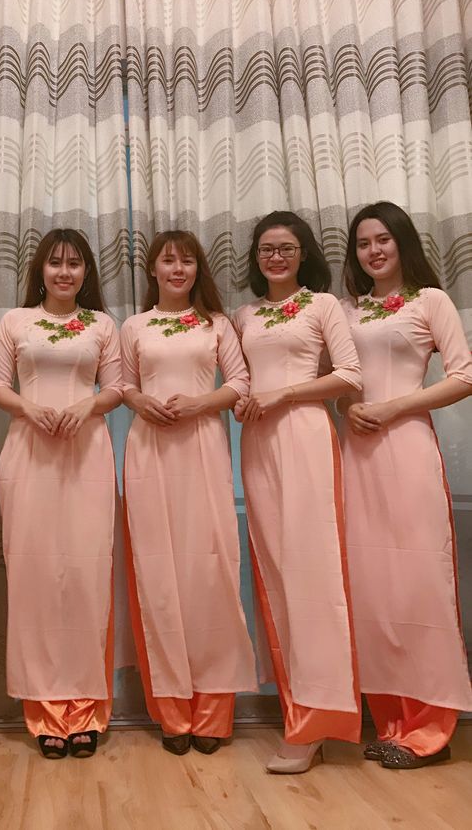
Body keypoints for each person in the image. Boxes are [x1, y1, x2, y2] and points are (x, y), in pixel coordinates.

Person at [340, 201, 472, 769]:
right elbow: (342, 381)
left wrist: (395, 406)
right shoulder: (347, 310)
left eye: (383, 240)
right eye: (363, 242)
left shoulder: (430, 300)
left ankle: (431, 731)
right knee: (372, 589)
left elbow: (465, 375)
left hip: (410, 449)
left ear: (402, 243)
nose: (373, 250)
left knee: (420, 584)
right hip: (356, 455)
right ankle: (393, 724)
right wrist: (348, 406)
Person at [233, 211, 362, 774]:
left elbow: (350, 375)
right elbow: (241, 381)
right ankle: (296, 711)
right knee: (277, 574)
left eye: (286, 248)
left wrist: (283, 395)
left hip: (307, 436)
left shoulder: (322, 305)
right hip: (258, 444)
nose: (276, 257)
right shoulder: (244, 315)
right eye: (266, 249)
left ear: (304, 253)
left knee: (314, 572)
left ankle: (318, 720)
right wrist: (244, 400)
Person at [121, 230, 257, 756]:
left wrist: (201, 404)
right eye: (168, 260)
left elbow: (239, 383)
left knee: (210, 574)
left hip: (203, 450)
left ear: (198, 268)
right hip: (149, 451)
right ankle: (172, 715)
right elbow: (121, 384)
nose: (177, 269)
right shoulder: (134, 326)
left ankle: (213, 714)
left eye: (187, 261)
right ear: (153, 269)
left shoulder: (216, 324)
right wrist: (139, 402)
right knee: (158, 576)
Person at [0, 228, 122, 759]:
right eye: (55, 263)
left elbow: (118, 386)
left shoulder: (102, 324)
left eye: (74, 263)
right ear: (40, 270)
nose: (64, 272)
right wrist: (28, 408)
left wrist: (88, 405)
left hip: (88, 454)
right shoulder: (15, 322)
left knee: (88, 575)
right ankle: (44, 712)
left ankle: (85, 710)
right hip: (29, 453)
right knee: (35, 578)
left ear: (86, 272)